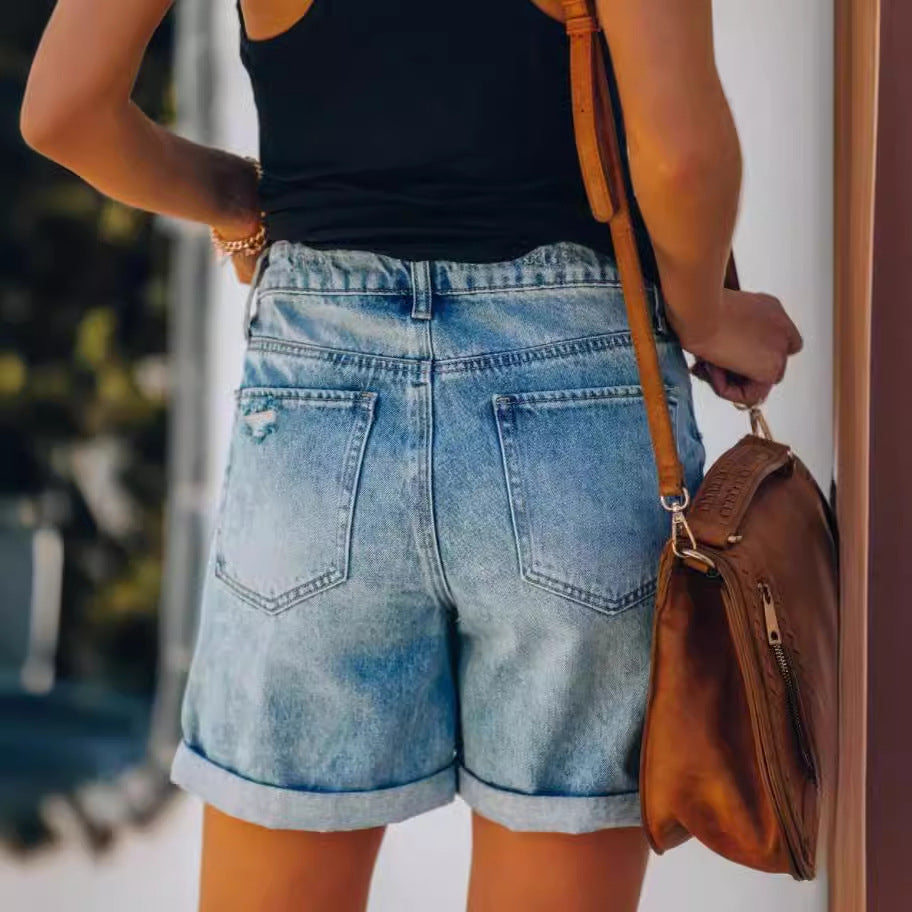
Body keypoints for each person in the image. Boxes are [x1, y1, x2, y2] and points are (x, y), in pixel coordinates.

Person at [21, 1, 802, 909]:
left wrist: (245, 199)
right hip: (574, 397)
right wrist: (706, 314)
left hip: (315, 408)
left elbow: (63, 112)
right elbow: (681, 156)